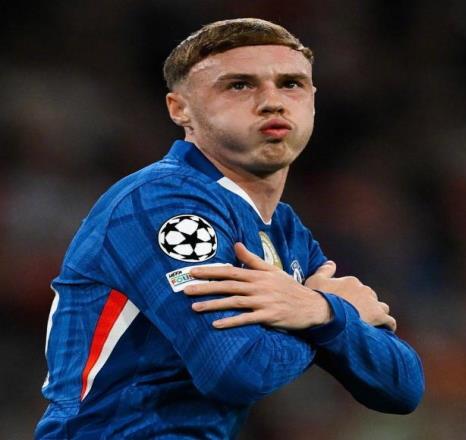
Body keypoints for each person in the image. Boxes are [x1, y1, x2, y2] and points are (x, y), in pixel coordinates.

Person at [35, 18, 424, 439]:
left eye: (291, 84)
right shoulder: (160, 203)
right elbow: (234, 371)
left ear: (313, 101)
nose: (272, 102)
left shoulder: (285, 229)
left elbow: (402, 388)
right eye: (239, 85)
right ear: (179, 109)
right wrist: (328, 314)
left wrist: (322, 312)